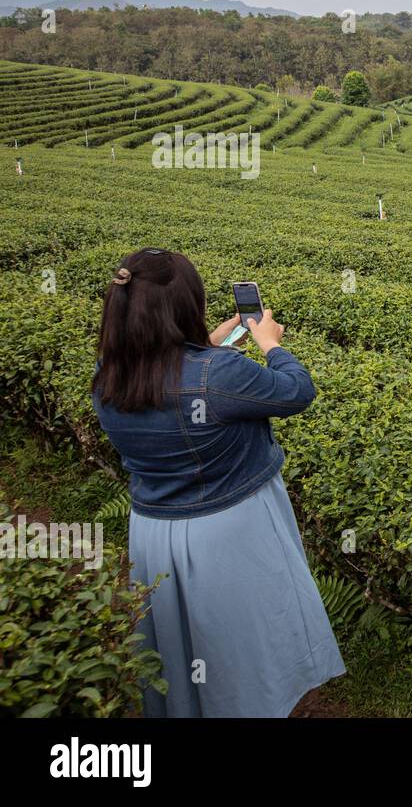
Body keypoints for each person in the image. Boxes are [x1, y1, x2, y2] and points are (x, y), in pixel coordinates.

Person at [91, 248, 345, 717]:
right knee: (245, 651)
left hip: (153, 532)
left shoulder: (109, 374)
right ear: (186, 305)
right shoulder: (218, 374)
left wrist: (219, 339)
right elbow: (295, 390)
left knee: (181, 649)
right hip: (229, 530)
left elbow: (173, 375)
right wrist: (270, 342)